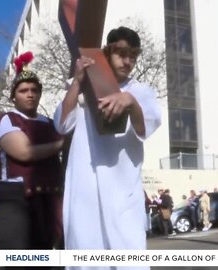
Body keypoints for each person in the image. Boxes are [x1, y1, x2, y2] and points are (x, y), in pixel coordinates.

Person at [54, 26, 161, 258]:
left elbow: (145, 129)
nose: (128, 60)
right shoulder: (84, 86)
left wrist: (130, 102)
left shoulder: (140, 91)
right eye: (121, 53)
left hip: (122, 192)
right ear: (106, 52)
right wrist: (77, 82)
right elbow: (61, 125)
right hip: (85, 190)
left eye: (133, 55)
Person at [0, 51, 64, 259]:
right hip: (15, 200)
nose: (29, 94)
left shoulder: (50, 123)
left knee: (46, 258)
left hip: (49, 198)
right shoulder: (8, 120)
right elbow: (24, 152)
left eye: (34, 90)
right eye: (23, 90)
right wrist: (62, 144)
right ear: (14, 96)